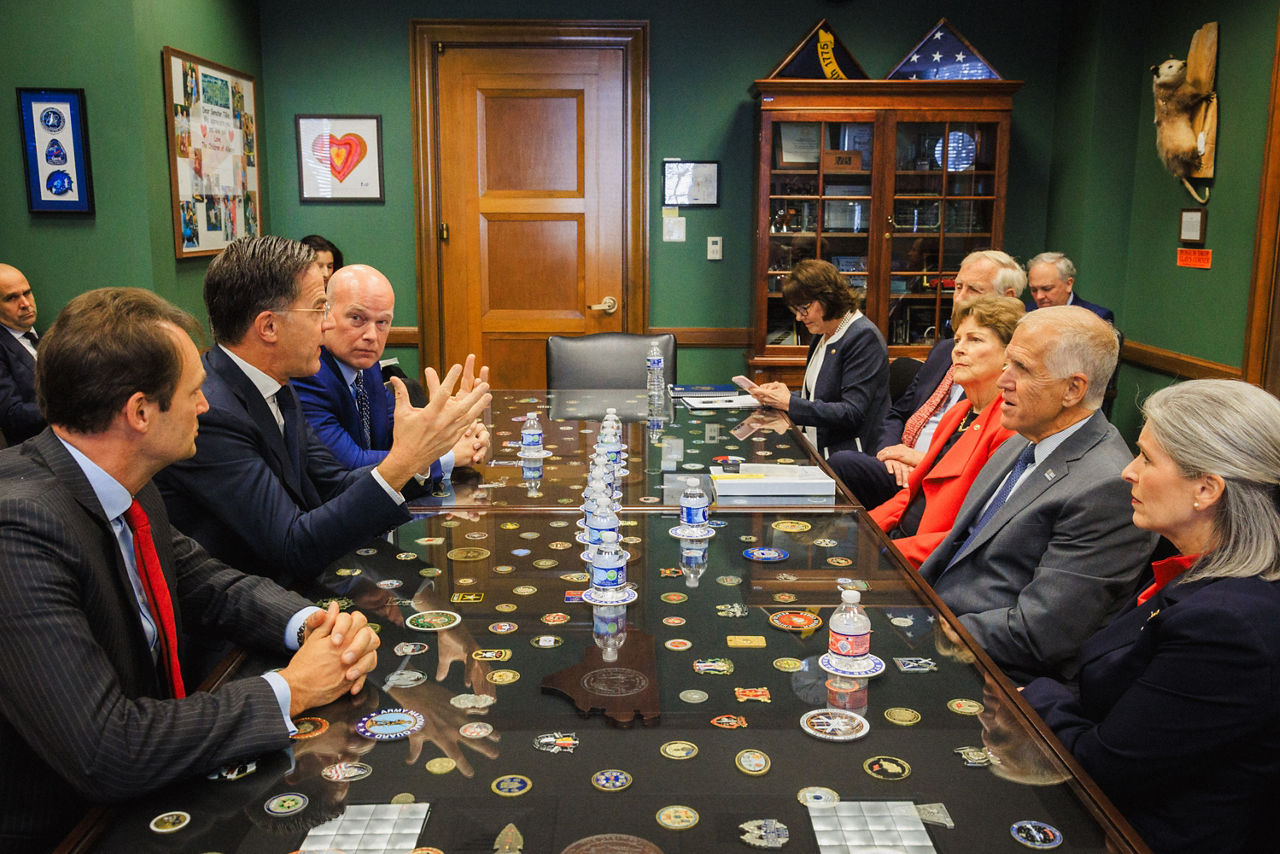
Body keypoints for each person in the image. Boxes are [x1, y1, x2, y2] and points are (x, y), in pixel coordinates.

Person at [0, 287, 380, 847]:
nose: (206, 406)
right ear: (139, 412)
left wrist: (312, 624)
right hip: (74, 829)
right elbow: (107, 750)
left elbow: (211, 583)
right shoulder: (20, 530)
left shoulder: (125, 480)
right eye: (194, 393)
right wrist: (290, 690)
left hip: (163, 785)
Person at [1023, 380, 1280, 853]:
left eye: (1146, 458)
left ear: (1206, 489)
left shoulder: (1230, 626)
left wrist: (1034, 693)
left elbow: (1105, 770)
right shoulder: (1190, 565)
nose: (1127, 471)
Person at [155, 236, 491, 586]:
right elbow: (292, 545)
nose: (327, 324)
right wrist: (406, 459)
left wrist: (421, 457)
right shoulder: (213, 415)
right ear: (268, 326)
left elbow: (335, 483)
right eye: (318, 309)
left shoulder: (278, 385)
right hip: (250, 613)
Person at [917, 306, 1157, 683]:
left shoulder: (1107, 486)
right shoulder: (1023, 439)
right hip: (939, 623)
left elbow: (1040, 632)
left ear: (1073, 389)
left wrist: (922, 632)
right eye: (1007, 362)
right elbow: (958, 550)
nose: (1002, 381)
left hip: (993, 673)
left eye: (1022, 369)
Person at [828, 250, 1026, 507]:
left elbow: (975, 469)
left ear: (1008, 297)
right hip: (900, 465)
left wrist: (918, 459)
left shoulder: (1006, 392)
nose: (960, 297)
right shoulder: (944, 350)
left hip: (942, 480)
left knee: (843, 464)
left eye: (974, 290)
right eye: (957, 287)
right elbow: (897, 413)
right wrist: (890, 455)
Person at [869, 295, 1023, 567]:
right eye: (957, 340)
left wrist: (885, 553)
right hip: (900, 542)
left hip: (931, 564)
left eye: (975, 340)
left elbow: (969, 532)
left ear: (1009, 355)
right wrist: (864, 531)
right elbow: (913, 494)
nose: (959, 350)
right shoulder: (957, 413)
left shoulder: (1010, 427)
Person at [293, 263, 490, 471]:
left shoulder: (367, 368)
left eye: (382, 322)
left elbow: (397, 436)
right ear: (325, 314)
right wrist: (445, 458)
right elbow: (350, 464)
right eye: (357, 318)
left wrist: (450, 428)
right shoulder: (307, 374)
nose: (371, 336)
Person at [748, 259, 889, 458]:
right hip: (816, 446)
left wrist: (789, 403)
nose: (799, 317)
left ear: (827, 299)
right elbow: (822, 397)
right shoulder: (822, 334)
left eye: (804, 308)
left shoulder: (863, 337)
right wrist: (786, 396)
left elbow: (852, 412)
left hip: (849, 454)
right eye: (795, 310)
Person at [0, 263, 44, 443]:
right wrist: (65, 410)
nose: (25, 304)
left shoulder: (47, 337)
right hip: (32, 450)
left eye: (27, 293)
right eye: (11, 298)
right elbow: (11, 414)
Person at [1026, 251, 1114, 322]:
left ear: (1069, 284)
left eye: (1047, 289)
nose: (1039, 296)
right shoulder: (1025, 313)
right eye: (1034, 290)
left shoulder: (1097, 318)